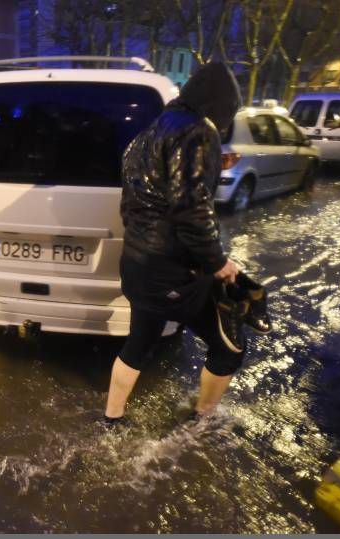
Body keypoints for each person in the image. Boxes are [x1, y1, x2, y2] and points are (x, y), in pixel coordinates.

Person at [104, 62, 245, 425]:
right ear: (220, 104)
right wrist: (217, 263)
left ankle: (112, 419)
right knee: (229, 345)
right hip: (173, 270)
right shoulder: (198, 131)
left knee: (140, 343)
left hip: (138, 263)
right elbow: (191, 209)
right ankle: (203, 421)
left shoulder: (145, 135)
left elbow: (151, 194)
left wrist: (213, 163)